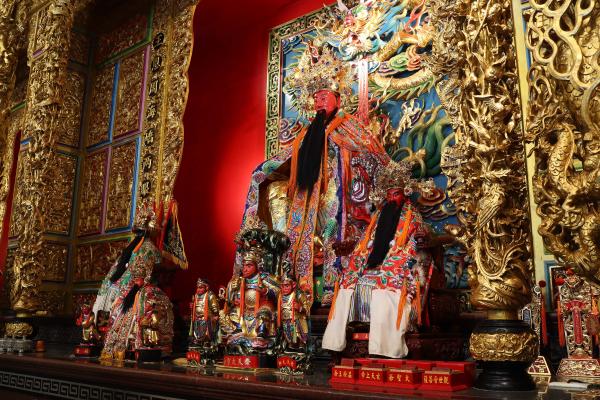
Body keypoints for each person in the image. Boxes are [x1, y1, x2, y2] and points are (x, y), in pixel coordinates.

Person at [240, 43, 388, 305]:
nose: (318, 102)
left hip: (339, 189)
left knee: (334, 208)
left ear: (338, 98)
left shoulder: (349, 126)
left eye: (324, 96)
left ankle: (331, 283)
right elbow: (289, 158)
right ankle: (284, 257)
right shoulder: (309, 131)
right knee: (274, 188)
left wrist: (349, 168)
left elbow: (372, 155)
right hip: (308, 192)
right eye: (316, 98)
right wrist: (263, 171)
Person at [323, 160, 430, 358]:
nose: (391, 199)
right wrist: (361, 256)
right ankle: (335, 342)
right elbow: (366, 240)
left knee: (387, 285)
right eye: (389, 195)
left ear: (404, 193)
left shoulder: (411, 215)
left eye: (395, 194)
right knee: (347, 281)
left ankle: (384, 347)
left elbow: (414, 242)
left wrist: (396, 258)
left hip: (399, 258)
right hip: (373, 259)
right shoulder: (380, 214)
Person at [221, 249, 280, 354]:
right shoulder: (240, 280)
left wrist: (266, 291)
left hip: (262, 305)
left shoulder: (264, 278)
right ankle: (238, 330)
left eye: (249, 266)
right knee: (231, 313)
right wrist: (234, 298)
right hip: (245, 308)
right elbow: (233, 297)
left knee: (264, 311)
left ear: (257, 266)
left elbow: (279, 291)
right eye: (244, 266)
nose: (245, 269)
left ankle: (261, 333)